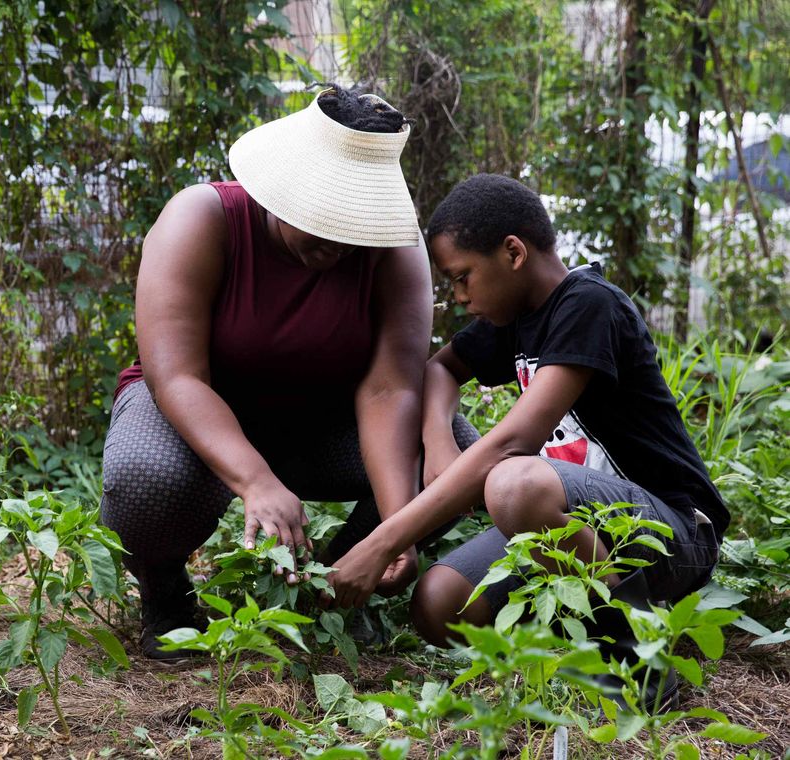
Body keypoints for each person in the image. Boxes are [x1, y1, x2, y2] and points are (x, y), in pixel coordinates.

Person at [100, 85, 477, 660]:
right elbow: (175, 375)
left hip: (319, 427)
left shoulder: (392, 253)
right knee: (143, 476)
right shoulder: (203, 219)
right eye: (320, 220)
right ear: (278, 193)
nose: (334, 243)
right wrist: (255, 481)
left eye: (350, 226)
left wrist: (395, 528)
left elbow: (390, 388)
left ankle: (335, 591)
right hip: (199, 415)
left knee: (453, 452)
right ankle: (166, 593)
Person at [325, 174, 727, 710]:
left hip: (667, 535)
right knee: (440, 605)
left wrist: (382, 542)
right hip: (580, 529)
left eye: (463, 277)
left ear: (513, 252)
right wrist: (440, 441)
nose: (461, 297)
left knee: (512, 486)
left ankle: (636, 654)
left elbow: (511, 442)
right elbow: (441, 370)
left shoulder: (589, 304)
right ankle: (571, 635)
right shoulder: (513, 319)